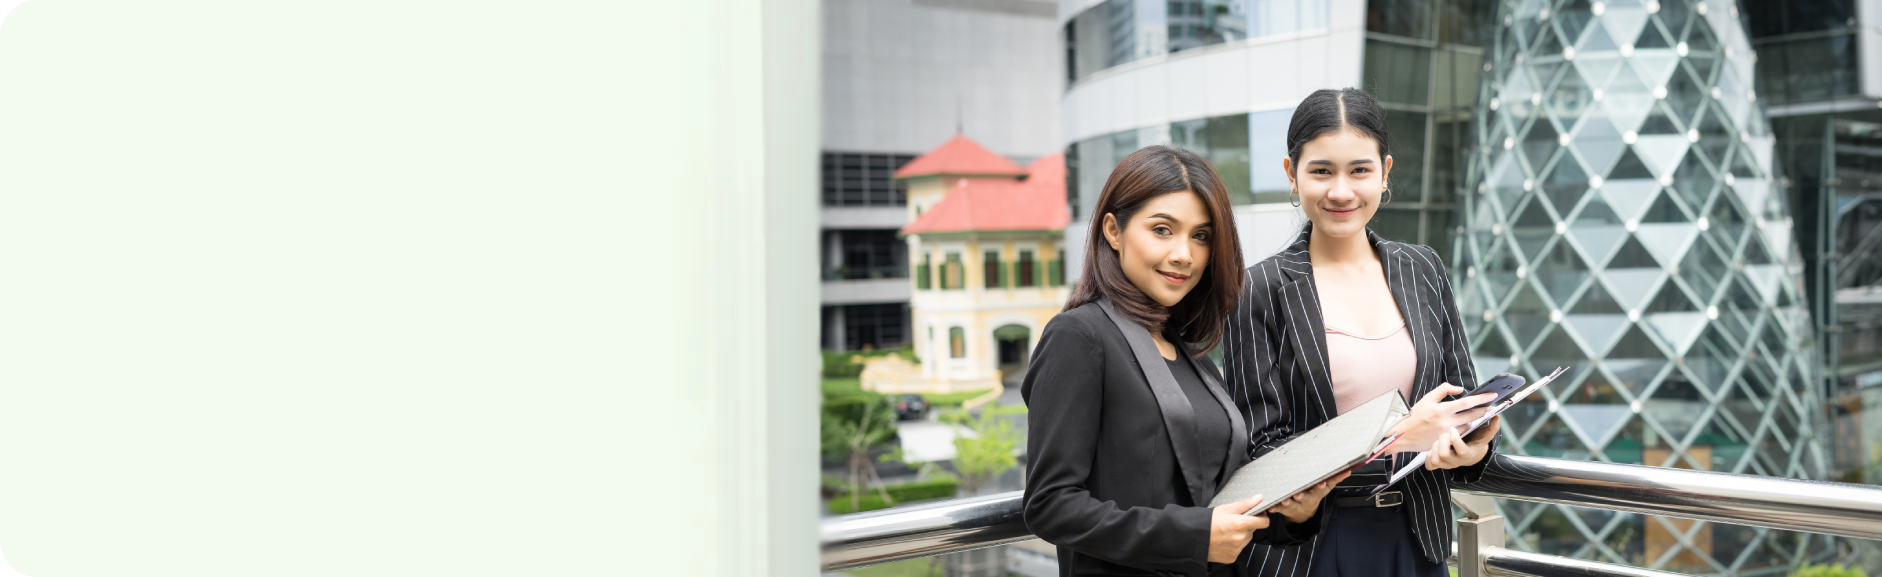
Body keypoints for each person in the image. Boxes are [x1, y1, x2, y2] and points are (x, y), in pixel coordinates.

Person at [1023, 145, 1345, 577]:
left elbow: (1214, 497)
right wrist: (1194, 536)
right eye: (1162, 230)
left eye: (1201, 236)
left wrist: (1291, 511)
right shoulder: (1079, 337)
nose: (1184, 254)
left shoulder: (1190, 353)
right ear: (1113, 232)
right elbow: (1049, 504)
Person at [1223, 88, 1501, 577]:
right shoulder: (1257, 289)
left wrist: (1473, 445)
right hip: (1313, 549)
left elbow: (1460, 397)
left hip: (1419, 539)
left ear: (1385, 172)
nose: (1341, 192)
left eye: (1359, 170)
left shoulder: (1423, 268)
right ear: (1292, 173)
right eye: (1321, 170)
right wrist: (1398, 436)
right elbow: (1259, 448)